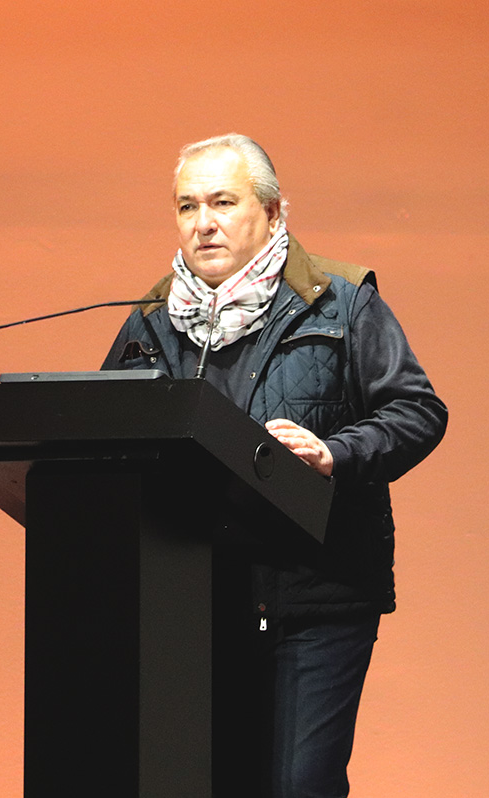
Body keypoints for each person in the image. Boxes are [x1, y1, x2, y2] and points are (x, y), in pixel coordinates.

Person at [102, 133, 447, 797]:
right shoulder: (150, 322)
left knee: (299, 787)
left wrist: (335, 453)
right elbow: (106, 437)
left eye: (223, 202)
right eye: (187, 206)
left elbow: (417, 412)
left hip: (315, 596)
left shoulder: (342, 302)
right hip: (191, 603)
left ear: (273, 211)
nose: (204, 222)